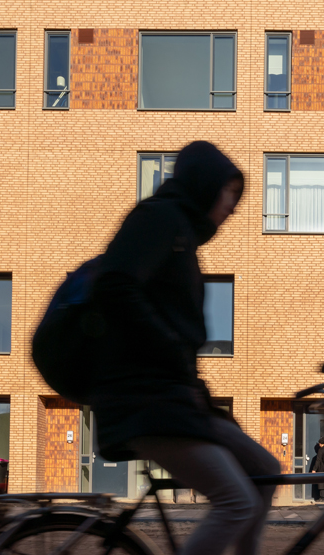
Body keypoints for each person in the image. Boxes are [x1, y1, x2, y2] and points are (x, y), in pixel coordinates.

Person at [90, 141, 279, 555]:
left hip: (173, 398)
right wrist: (172, 347)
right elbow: (115, 285)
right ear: (205, 183)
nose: (233, 206)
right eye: (229, 192)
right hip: (144, 402)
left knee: (266, 470)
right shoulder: (157, 219)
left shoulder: (183, 238)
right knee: (237, 502)